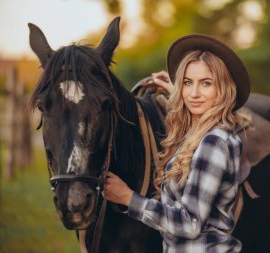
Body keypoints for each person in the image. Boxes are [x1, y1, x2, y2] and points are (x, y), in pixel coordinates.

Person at [103, 34, 251, 252]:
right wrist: (175, 91)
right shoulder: (203, 135)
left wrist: (128, 198)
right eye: (187, 83)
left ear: (223, 89)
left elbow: (189, 223)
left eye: (206, 84)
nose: (194, 93)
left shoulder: (213, 142)